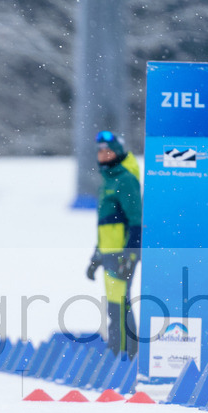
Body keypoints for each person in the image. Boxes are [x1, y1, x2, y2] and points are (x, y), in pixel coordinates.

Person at [85, 130, 141, 358]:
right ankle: (120, 353)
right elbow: (106, 227)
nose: (102, 154)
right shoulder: (108, 180)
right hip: (109, 254)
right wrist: (96, 256)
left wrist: (130, 255)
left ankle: (122, 355)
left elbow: (136, 221)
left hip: (121, 255)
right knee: (116, 306)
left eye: (107, 150)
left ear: (117, 152)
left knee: (119, 307)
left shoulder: (125, 179)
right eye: (99, 151)